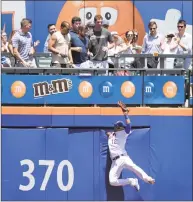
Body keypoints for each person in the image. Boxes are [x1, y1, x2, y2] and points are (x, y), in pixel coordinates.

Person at [106, 101, 155, 191]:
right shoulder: (112, 134)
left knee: (134, 168)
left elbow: (129, 126)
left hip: (123, 158)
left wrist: (125, 114)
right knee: (112, 181)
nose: (121, 128)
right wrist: (109, 134)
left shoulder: (123, 133)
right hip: (115, 162)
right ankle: (131, 181)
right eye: (119, 127)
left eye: (121, 127)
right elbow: (110, 134)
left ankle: (147, 178)